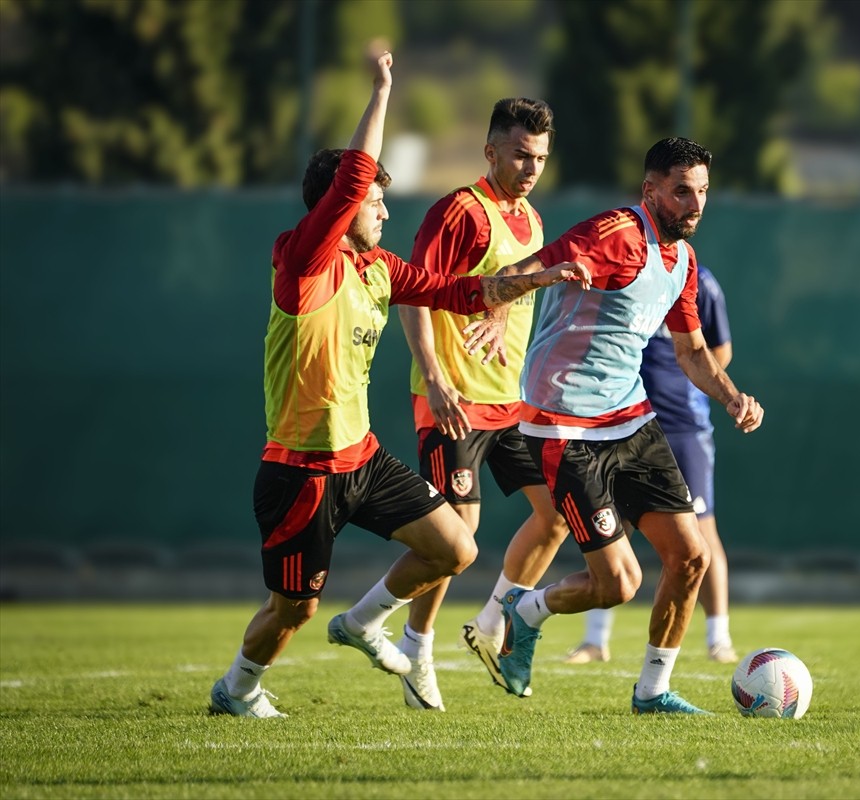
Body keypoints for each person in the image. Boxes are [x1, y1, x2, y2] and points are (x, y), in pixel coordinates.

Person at [208, 49, 589, 719]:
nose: (383, 213)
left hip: (362, 457)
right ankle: (237, 689)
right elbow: (354, 176)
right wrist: (383, 89)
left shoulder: (380, 267)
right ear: (341, 207)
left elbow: (465, 292)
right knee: (292, 610)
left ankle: (366, 623)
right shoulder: (303, 264)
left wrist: (544, 276)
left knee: (455, 547)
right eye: (374, 203)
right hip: (300, 471)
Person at [470, 137, 764, 715]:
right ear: (650, 189)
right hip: (563, 426)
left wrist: (733, 398)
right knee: (618, 585)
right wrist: (512, 302)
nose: (695, 203)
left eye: (702, 191)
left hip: (630, 418)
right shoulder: (614, 235)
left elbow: (692, 352)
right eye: (682, 191)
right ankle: (524, 611)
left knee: (692, 557)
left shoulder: (682, 261)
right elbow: (507, 277)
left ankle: (652, 692)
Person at [393, 97, 569, 711]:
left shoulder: (533, 220)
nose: (530, 167)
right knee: (457, 537)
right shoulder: (458, 211)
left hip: (510, 403)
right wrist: (436, 378)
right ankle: (416, 648)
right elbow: (413, 294)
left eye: (540, 157)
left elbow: (504, 282)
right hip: (455, 401)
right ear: (490, 150)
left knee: (555, 517)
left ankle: (494, 622)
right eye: (520, 154)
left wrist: (496, 310)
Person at [562, 263, 738, 666]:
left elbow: (720, 349)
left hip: (683, 426)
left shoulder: (700, 281)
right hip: (624, 423)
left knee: (702, 532)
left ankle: (718, 637)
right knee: (610, 529)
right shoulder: (625, 277)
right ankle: (595, 639)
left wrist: (688, 377)